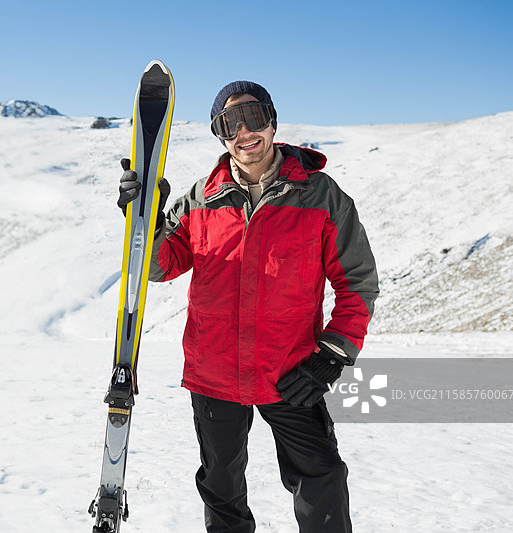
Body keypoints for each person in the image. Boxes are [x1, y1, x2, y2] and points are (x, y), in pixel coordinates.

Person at [117, 80, 379, 533]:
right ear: (221, 134)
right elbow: (161, 267)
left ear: (272, 121)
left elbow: (357, 282)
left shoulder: (321, 196)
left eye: (254, 117)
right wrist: (144, 220)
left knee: (321, 479)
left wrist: (333, 353)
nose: (245, 132)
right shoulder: (202, 198)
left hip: (291, 371)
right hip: (214, 371)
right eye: (230, 123)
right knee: (221, 487)